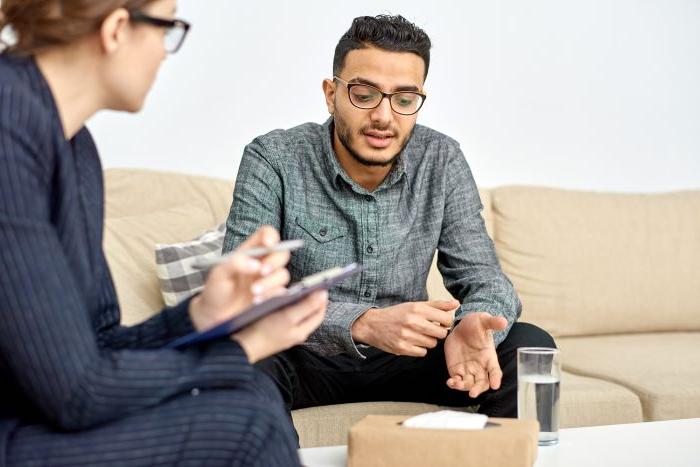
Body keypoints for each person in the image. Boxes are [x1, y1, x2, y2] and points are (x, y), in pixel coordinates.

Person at [0, 1, 327, 465]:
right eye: (166, 29)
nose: (165, 53)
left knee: (252, 389)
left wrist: (200, 315)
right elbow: (76, 392)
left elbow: (99, 344)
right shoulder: (8, 129)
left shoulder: (76, 150)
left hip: (33, 416)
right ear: (116, 29)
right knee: (243, 423)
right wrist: (244, 346)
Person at [223, 14, 556, 421]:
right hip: (305, 355)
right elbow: (243, 298)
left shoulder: (441, 159)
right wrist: (362, 323)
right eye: (365, 94)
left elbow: (485, 278)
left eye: (403, 99)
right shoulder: (273, 158)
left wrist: (472, 324)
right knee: (238, 359)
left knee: (529, 347)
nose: (384, 116)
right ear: (332, 95)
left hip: (410, 357)